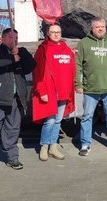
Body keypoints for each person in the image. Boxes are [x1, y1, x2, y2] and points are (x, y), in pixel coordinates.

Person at [0, 28, 36, 177]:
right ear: (3, 39)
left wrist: (20, 55)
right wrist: (11, 59)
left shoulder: (20, 52)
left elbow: (31, 66)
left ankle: (12, 157)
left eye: (16, 37)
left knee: (13, 129)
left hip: (15, 99)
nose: (14, 40)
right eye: (11, 37)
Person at [75, 17, 107, 156]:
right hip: (90, 89)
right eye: (97, 27)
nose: (100, 29)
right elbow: (77, 65)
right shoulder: (83, 43)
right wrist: (78, 84)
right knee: (86, 116)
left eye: (102, 26)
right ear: (92, 28)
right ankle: (85, 144)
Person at [32, 22, 76, 161]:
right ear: (48, 34)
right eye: (53, 32)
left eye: (58, 32)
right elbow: (37, 72)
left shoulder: (67, 49)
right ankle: (44, 146)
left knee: (58, 120)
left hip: (64, 91)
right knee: (50, 121)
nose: (56, 34)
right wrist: (42, 90)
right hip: (49, 91)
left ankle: (53, 146)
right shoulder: (43, 49)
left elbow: (72, 69)